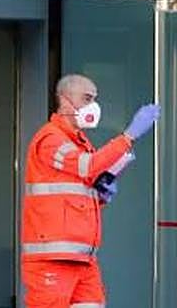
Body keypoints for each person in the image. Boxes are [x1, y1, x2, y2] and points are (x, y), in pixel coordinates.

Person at [20, 73, 161, 308]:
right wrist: (128, 137)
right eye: (86, 98)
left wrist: (100, 194)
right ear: (65, 101)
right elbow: (88, 166)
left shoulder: (79, 142)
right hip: (53, 259)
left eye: (94, 99)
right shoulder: (50, 139)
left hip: (82, 258)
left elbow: (76, 191)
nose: (93, 106)